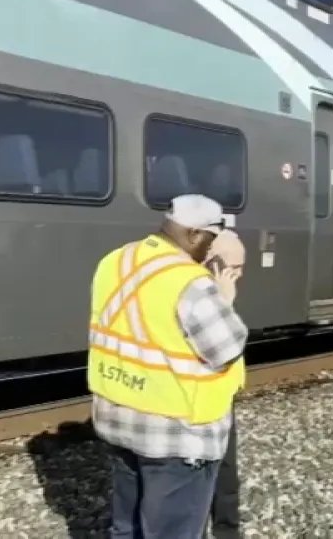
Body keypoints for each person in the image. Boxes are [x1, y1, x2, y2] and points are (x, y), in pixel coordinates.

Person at [88, 194, 248, 539]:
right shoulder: (189, 281)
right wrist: (225, 298)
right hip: (176, 437)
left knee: (125, 529)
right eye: (210, 237)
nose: (211, 247)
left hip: (119, 418)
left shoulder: (116, 260)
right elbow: (227, 347)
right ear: (193, 234)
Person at [203, 229, 247, 539]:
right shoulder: (196, 295)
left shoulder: (213, 291)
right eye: (236, 268)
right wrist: (226, 306)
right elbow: (220, 348)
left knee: (226, 476)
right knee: (204, 476)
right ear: (216, 264)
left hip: (220, 396)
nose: (240, 275)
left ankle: (227, 532)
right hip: (198, 401)